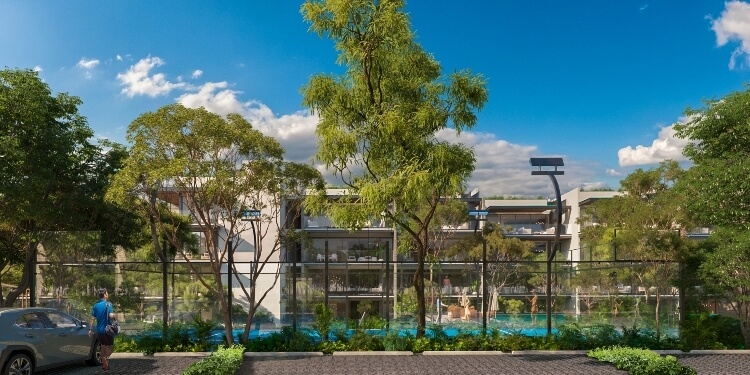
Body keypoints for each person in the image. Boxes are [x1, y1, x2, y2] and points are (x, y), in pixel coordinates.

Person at [89, 288, 114, 371]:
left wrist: (90, 329)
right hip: (108, 330)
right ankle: (105, 360)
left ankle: (104, 363)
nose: (108, 294)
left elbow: (92, 318)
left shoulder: (95, 305)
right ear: (105, 295)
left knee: (103, 346)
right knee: (110, 347)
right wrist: (114, 317)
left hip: (99, 330)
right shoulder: (108, 304)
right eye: (107, 293)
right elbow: (111, 316)